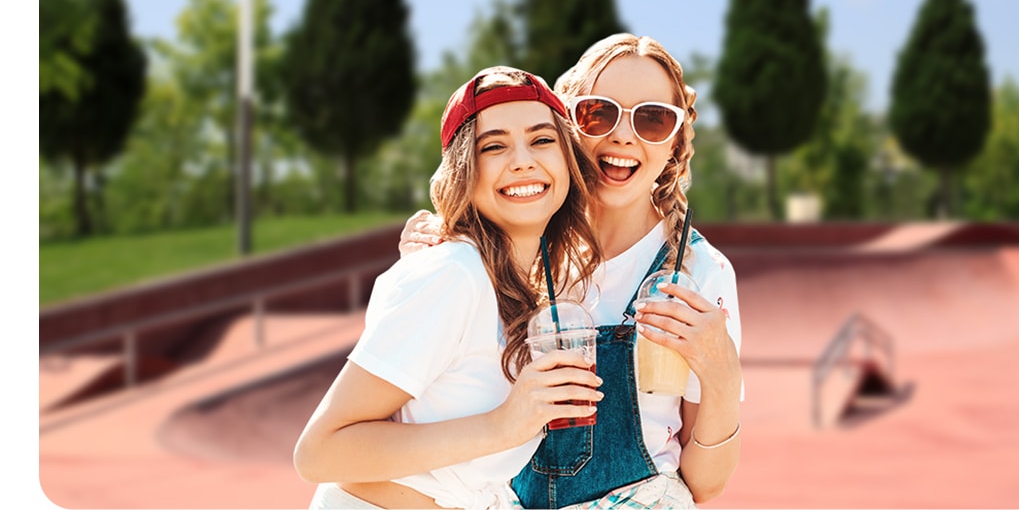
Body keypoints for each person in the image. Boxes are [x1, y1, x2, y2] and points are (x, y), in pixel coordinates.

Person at [398, 34, 744, 509]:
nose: (624, 136)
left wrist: (722, 374)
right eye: (598, 113)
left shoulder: (699, 273)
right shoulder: (511, 245)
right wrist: (428, 260)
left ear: (674, 144)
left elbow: (707, 485)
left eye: (653, 119)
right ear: (566, 126)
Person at [294, 66, 607, 509]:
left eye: (542, 140)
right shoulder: (453, 275)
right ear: (464, 170)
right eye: (493, 146)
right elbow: (319, 452)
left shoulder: (525, 287)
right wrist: (503, 425)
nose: (523, 160)